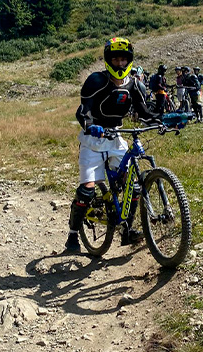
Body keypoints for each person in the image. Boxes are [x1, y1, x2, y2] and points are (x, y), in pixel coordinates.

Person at [64, 37, 159, 253]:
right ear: (108, 60)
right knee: (87, 191)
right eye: (115, 59)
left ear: (130, 61)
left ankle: (127, 228)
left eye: (124, 59)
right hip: (93, 139)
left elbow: (145, 113)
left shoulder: (135, 84)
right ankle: (72, 234)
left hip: (116, 136)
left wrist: (166, 120)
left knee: (133, 185)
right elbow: (83, 110)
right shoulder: (96, 81)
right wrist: (90, 125)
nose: (120, 64)